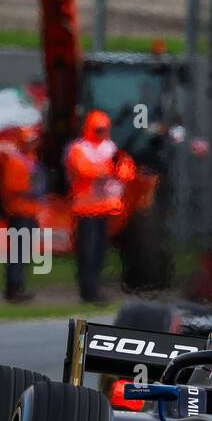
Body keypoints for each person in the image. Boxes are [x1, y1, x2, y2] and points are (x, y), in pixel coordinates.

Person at [64, 110, 135, 302]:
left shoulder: (111, 147)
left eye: (104, 129)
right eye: (98, 129)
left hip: (106, 208)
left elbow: (127, 170)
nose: (102, 132)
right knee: (87, 251)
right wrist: (109, 169)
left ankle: (95, 288)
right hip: (85, 209)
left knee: (101, 251)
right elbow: (83, 170)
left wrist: (115, 170)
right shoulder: (79, 148)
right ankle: (88, 290)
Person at [0, 126, 42, 303]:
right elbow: (12, 187)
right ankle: (13, 288)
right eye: (29, 140)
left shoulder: (31, 159)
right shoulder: (14, 161)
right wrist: (30, 187)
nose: (32, 144)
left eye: (33, 140)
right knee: (17, 253)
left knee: (24, 253)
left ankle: (19, 286)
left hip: (30, 211)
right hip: (19, 212)